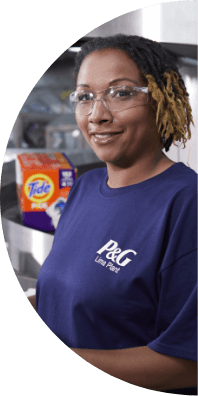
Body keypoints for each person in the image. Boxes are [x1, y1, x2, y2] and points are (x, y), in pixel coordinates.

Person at [34, 34, 197, 394]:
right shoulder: (84, 187)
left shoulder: (187, 204)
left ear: (163, 98)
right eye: (85, 97)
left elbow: (188, 364)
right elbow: (69, 294)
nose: (97, 115)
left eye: (121, 93)